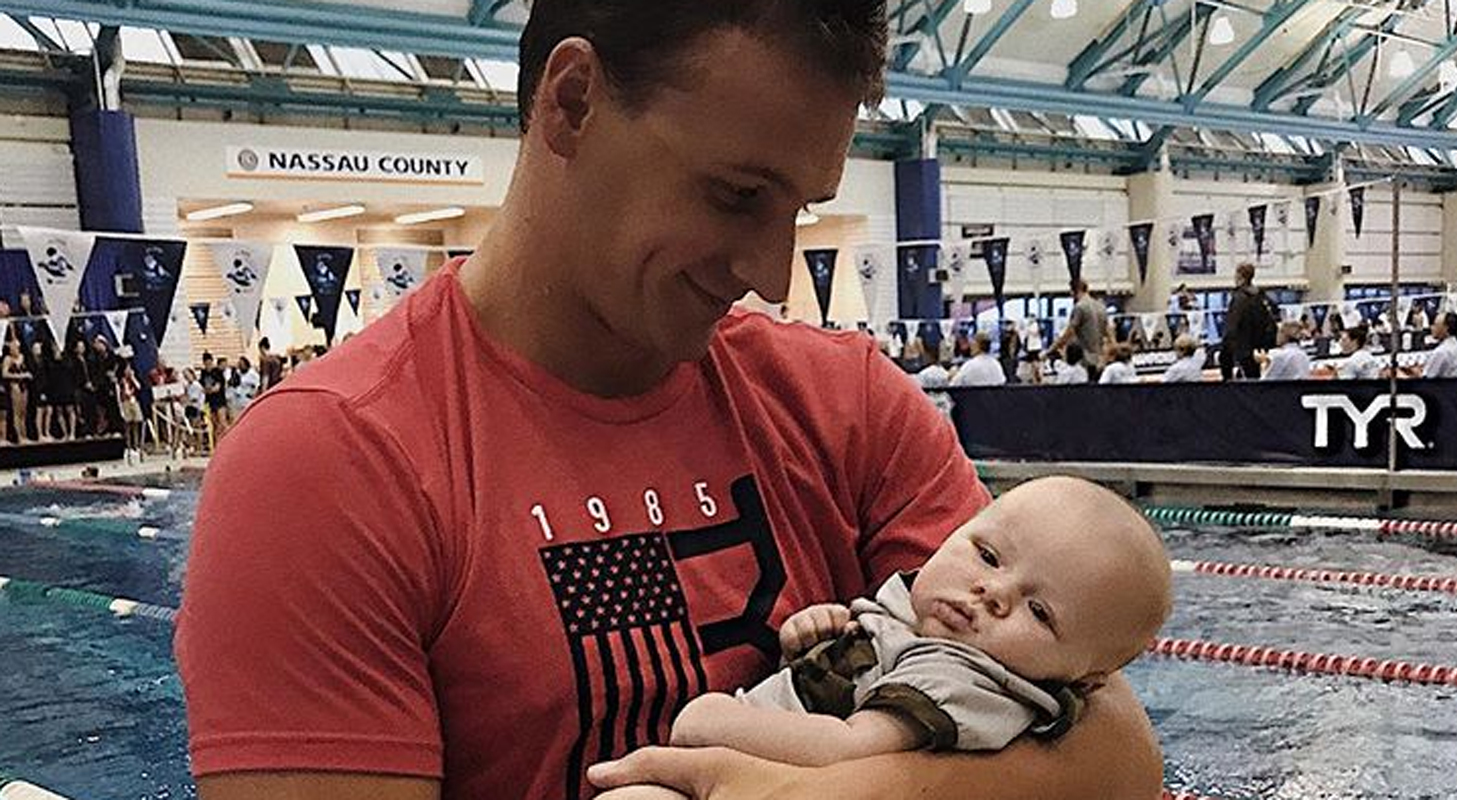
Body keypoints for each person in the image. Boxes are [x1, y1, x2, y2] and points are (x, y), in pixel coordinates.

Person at [176, 5, 1164, 800]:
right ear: (571, 102)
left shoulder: (848, 402)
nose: (771, 271)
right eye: (737, 196)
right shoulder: (331, 467)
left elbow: (1119, 754)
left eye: (798, 212)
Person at [669, 477, 1171, 769]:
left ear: (1084, 679)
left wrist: (709, 720)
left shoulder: (965, 682)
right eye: (988, 556)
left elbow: (849, 749)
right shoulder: (918, 621)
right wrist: (814, 639)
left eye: (1039, 613)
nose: (992, 592)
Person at [1220, 263, 1276, 381]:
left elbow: (1232, 325)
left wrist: (1226, 347)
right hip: (1258, 348)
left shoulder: (1240, 298)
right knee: (1255, 378)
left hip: (1242, 348)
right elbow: (1272, 320)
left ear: (1239, 276)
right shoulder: (1262, 297)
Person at [1049, 280, 1109, 381]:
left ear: (1074, 291)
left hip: (1084, 360)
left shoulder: (1079, 307)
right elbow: (1109, 332)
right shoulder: (1101, 307)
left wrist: (1051, 350)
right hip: (1100, 359)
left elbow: (1069, 333)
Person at [1413, 312, 1457, 379]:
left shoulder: (1441, 352)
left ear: (1446, 328)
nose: (1431, 327)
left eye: (1435, 325)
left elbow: (1427, 378)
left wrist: (1413, 372)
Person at [3, 339, 31, 443]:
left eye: (16, 347)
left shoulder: (22, 357)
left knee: (23, 412)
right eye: (13, 348)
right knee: (17, 413)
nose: (15, 350)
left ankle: (25, 435)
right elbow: (4, 374)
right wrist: (20, 376)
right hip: (15, 386)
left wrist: (26, 375)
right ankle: (19, 437)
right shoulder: (8, 359)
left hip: (24, 386)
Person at [117, 358, 144, 459]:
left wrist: (133, 378)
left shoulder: (133, 379)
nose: (129, 370)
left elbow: (139, 387)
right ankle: (128, 446)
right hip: (125, 402)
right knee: (127, 425)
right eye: (127, 369)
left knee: (136, 423)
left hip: (134, 401)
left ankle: (136, 445)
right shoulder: (121, 381)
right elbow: (120, 392)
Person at [29, 341, 54, 441]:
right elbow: (34, 377)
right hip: (37, 389)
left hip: (46, 388)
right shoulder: (31, 362)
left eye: (39, 348)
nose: (38, 350)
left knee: (49, 410)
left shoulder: (44, 360)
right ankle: (40, 434)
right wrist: (40, 391)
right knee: (40, 411)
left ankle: (47, 432)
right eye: (36, 348)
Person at [200, 352, 229, 437]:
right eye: (206, 364)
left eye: (210, 363)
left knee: (223, 422)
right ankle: (217, 441)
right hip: (210, 401)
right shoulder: (203, 373)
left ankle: (229, 438)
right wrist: (207, 390)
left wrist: (209, 390)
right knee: (214, 424)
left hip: (219, 400)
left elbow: (217, 387)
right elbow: (202, 387)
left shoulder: (217, 372)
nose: (208, 365)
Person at [227, 356, 261, 421]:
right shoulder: (237, 373)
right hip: (238, 400)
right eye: (239, 364)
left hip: (248, 399)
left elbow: (257, 386)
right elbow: (231, 384)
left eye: (242, 364)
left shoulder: (252, 374)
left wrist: (254, 395)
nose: (241, 366)